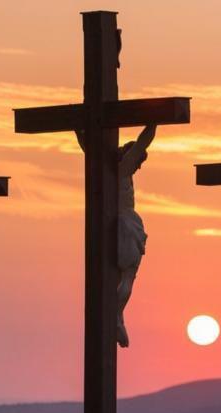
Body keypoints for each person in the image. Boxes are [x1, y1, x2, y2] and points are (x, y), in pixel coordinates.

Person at [75, 125, 157, 347]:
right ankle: (115, 313)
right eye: (138, 160)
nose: (138, 165)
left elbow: (89, 150)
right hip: (126, 225)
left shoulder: (107, 171)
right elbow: (144, 141)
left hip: (110, 224)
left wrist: (79, 129)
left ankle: (117, 317)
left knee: (120, 277)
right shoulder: (123, 169)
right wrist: (154, 122)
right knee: (128, 275)